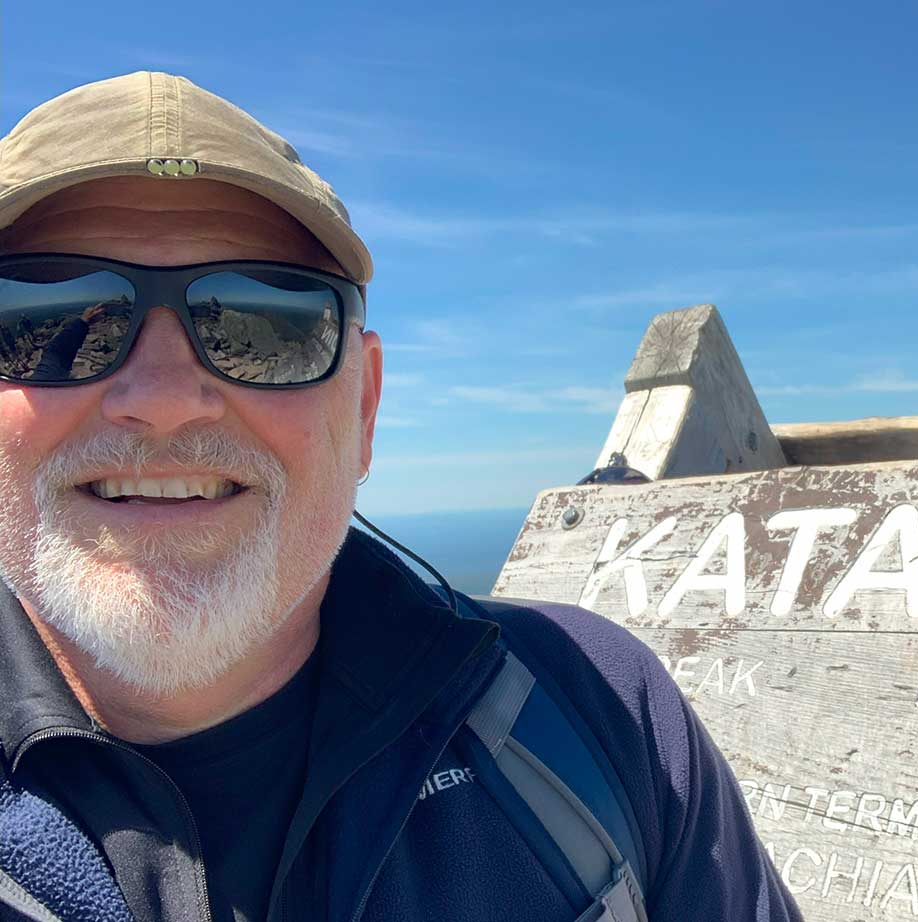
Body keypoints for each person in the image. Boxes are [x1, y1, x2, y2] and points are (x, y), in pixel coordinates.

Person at [0, 72, 801, 922]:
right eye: (46, 324)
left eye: (267, 327)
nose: (160, 398)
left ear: (366, 407)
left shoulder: (598, 707)